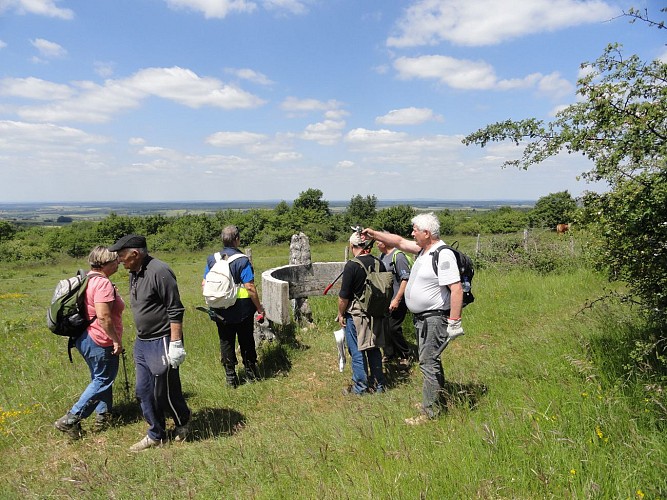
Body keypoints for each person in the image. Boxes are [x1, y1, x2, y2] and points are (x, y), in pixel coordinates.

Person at [364, 213, 464, 424]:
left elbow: (455, 289)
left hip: (434, 318)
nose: (412, 233)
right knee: (431, 361)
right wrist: (373, 233)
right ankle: (436, 400)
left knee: (428, 362)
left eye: (415, 230)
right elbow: (398, 241)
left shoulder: (442, 254)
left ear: (427, 233)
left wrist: (454, 321)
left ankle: (430, 412)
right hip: (423, 318)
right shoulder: (423, 250)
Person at [110, 234, 191, 451]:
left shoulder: (159, 271)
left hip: (163, 339)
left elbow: (175, 308)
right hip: (143, 342)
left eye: (122, 256)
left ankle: (182, 422)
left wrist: (175, 343)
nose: (119, 261)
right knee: (143, 391)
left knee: (163, 391)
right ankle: (156, 433)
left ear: (135, 254)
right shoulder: (134, 272)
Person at [54, 246, 125, 437]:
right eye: (115, 260)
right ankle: (71, 418)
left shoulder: (89, 279)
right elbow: (103, 317)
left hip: (84, 337)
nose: (119, 263)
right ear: (106, 263)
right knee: (103, 379)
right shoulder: (102, 284)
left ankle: (104, 415)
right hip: (100, 339)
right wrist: (115, 340)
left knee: (100, 378)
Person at [203, 225, 265, 387]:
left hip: (220, 310)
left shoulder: (212, 259)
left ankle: (231, 378)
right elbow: (250, 287)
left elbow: (204, 282)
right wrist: (259, 308)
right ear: (237, 239)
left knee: (226, 341)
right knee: (246, 340)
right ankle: (251, 374)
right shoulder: (242, 260)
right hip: (242, 310)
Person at [336, 231, 387, 395]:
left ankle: (361, 388)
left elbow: (343, 297)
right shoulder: (379, 263)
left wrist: (341, 314)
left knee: (357, 351)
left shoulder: (352, 265)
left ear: (352, 246)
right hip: (377, 313)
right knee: (374, 349)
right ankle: (379, 386)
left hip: (357, 315)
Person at [376, 238, 412, 365]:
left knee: (393, 328)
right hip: (385, 301)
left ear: (385, 242)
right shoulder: (382, 256)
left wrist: (397, 299)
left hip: (397, 300)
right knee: (384, 328)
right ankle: (389, 354)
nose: (376, 243)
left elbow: (405, 279)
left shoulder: (398, 256)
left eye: (378, 241)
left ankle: (405, 354)